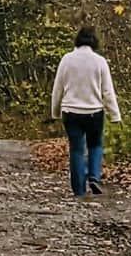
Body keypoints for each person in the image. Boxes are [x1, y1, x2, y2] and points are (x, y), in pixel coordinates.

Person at [50, 27, 120, 197]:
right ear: (94, 42)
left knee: (76, 149)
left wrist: (55, 112)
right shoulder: (100, 61)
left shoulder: (66, 60)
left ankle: (79, 190)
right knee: (95, 145)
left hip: (71, 111)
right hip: (94, 111)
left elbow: (58, 89)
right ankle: (94, 176)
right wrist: (115, 114)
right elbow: (107, 91)